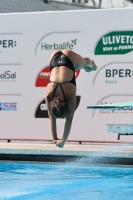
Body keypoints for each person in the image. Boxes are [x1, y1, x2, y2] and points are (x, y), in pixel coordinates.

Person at [45, 49, 97, 148]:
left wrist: (63, 140)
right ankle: (88, 67)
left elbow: (68, 121)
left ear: (66, 107)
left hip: (70, 59)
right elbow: (52, 119)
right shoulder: (49, 95)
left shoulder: (70, 95)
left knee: (87, 63)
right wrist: (55, 138)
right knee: (83, 64)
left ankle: (93, 66)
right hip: (53, 59)